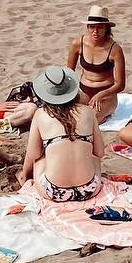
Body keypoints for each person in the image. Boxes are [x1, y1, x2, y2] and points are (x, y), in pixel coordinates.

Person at [21, 66, 105, 202]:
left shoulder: (41, 114)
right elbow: (99, 152)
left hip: (53, 191)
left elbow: (33, 154)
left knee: (40, 156)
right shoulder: (88, 112)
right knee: (92, 156)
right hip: (89, 189)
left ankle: (24, 176)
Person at [63, 5, 125, 123]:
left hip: (106, 94)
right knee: (65, 115)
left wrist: (101, 94)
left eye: (100, 27)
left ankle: (105, 113)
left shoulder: (114, 49)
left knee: (89, 119)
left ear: (106, 28)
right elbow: (69, 73)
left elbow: (120, 85)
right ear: (88, 27)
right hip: (84, 91)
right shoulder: (78, 43)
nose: (95, 32)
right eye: (92, 27)